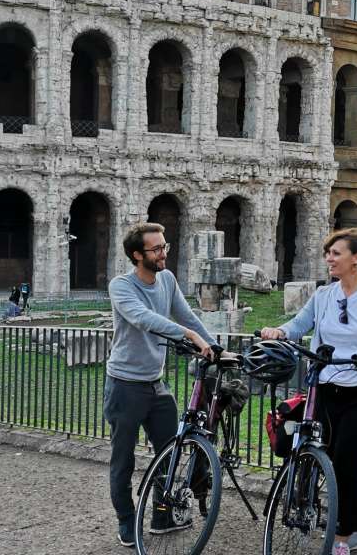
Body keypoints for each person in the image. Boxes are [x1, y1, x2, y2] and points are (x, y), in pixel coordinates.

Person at [260, 228, 357, 555]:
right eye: (328, 253)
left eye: (336, 253)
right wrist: (278, 331)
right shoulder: (324, 296)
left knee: (346, 461)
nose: (329, 258)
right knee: (343, 463)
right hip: (325, 392)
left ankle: (341, 538)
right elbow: (298, 325)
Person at [105, 222, 216, 547]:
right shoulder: (121, 286)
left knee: (171, 451)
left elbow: (187, 316)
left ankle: (162, 513)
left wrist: (214, 347)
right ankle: (126, 520)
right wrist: (189, 336)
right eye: (156, 249)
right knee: (122, 461)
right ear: (138, 255)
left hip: (156, 384)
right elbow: (142, 318)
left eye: (164, 246)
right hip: (124, 385)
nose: (164, 252)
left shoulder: (166, 279)